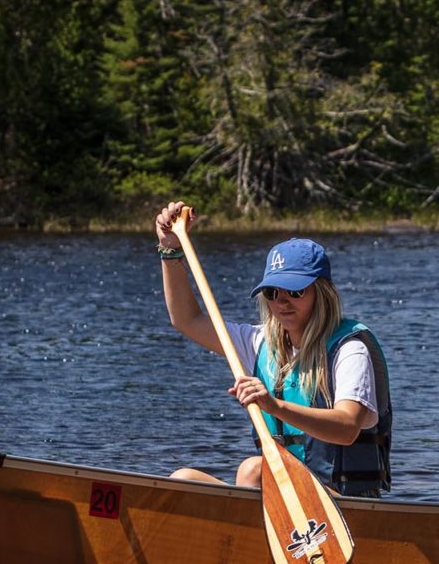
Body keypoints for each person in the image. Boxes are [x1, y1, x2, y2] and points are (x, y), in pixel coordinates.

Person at [153, 201, 392, 497]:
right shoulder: (260, 342)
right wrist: (170, 250)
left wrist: (273, 405)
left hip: (343, 504)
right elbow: (186, 320)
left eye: (295, 291)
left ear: (322, 293)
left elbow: (346, 428)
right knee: (183, 479)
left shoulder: (349, 350)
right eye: (272, 292)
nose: (282, 302)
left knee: (252, 470)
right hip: (285, 502)